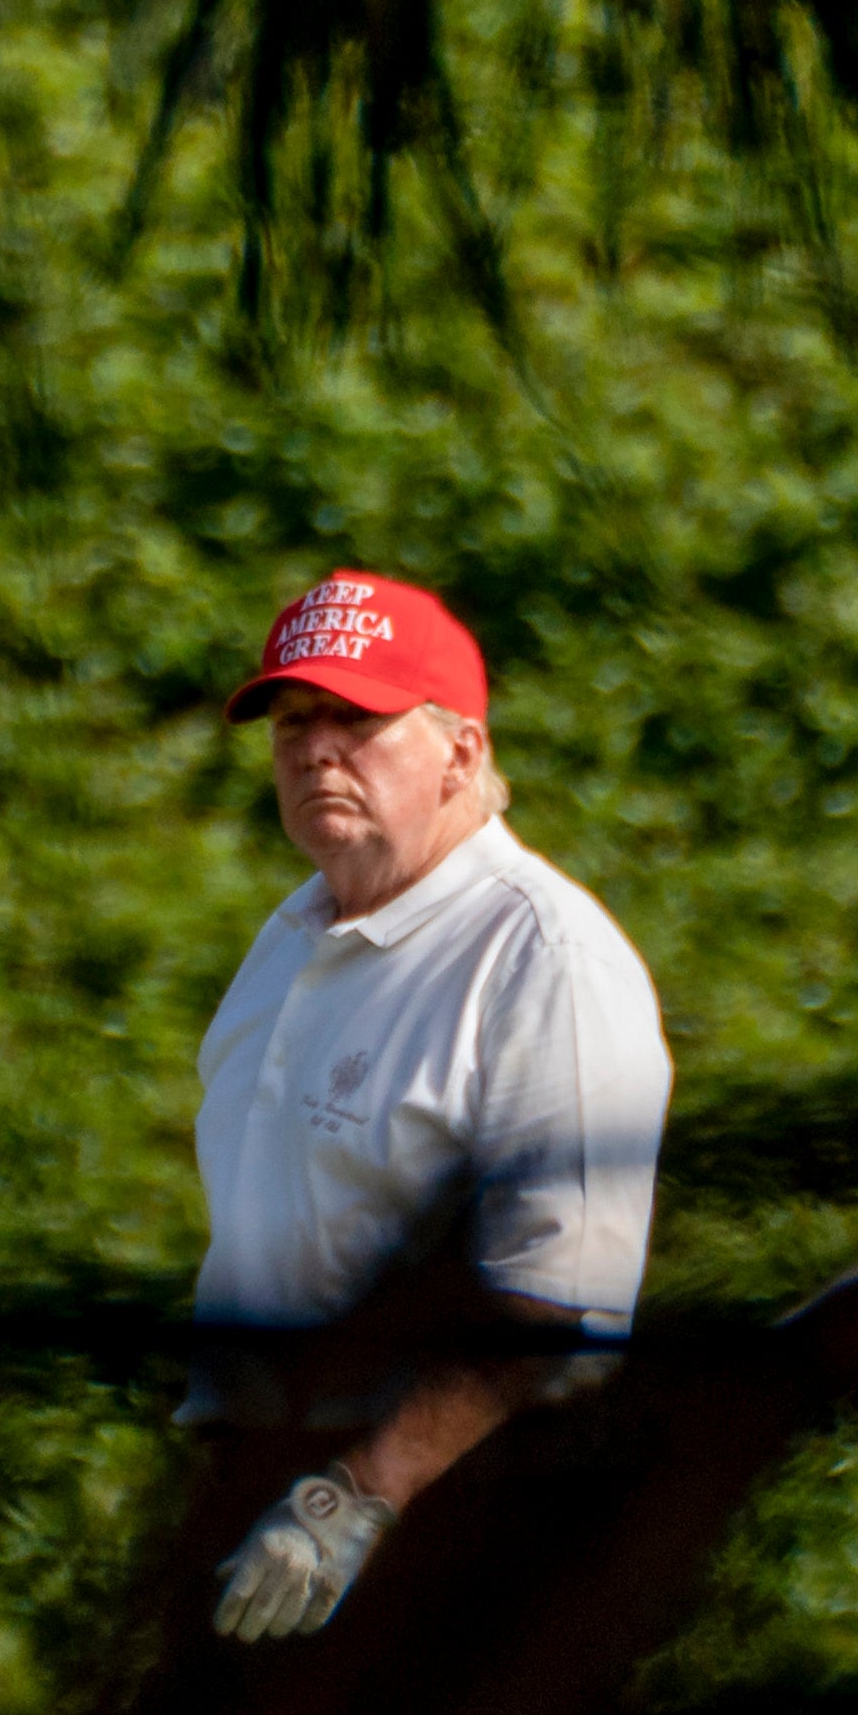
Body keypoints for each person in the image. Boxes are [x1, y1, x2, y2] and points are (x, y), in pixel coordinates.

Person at [188, 569, 671, 1640]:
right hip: (259, 1506)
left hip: (445, 1538)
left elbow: (555, 1304)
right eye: (291, 721)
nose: (315, 748)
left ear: (461, 750)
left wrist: (351, 1500)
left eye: (356, 717)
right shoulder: (290, 939)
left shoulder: (543, 955)